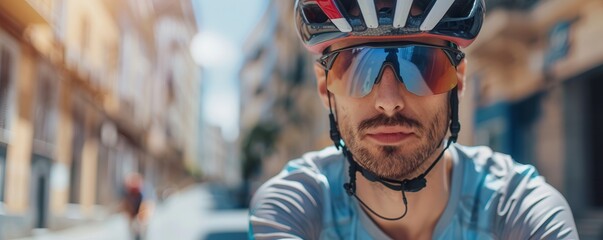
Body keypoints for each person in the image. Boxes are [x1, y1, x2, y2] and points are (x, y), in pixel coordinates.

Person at [249, 0, 578, 239]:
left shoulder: (520, 208)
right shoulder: (293, 208)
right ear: (325, 88)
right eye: (355, 69)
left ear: (458, 79)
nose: (389, 102)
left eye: (420, 64)